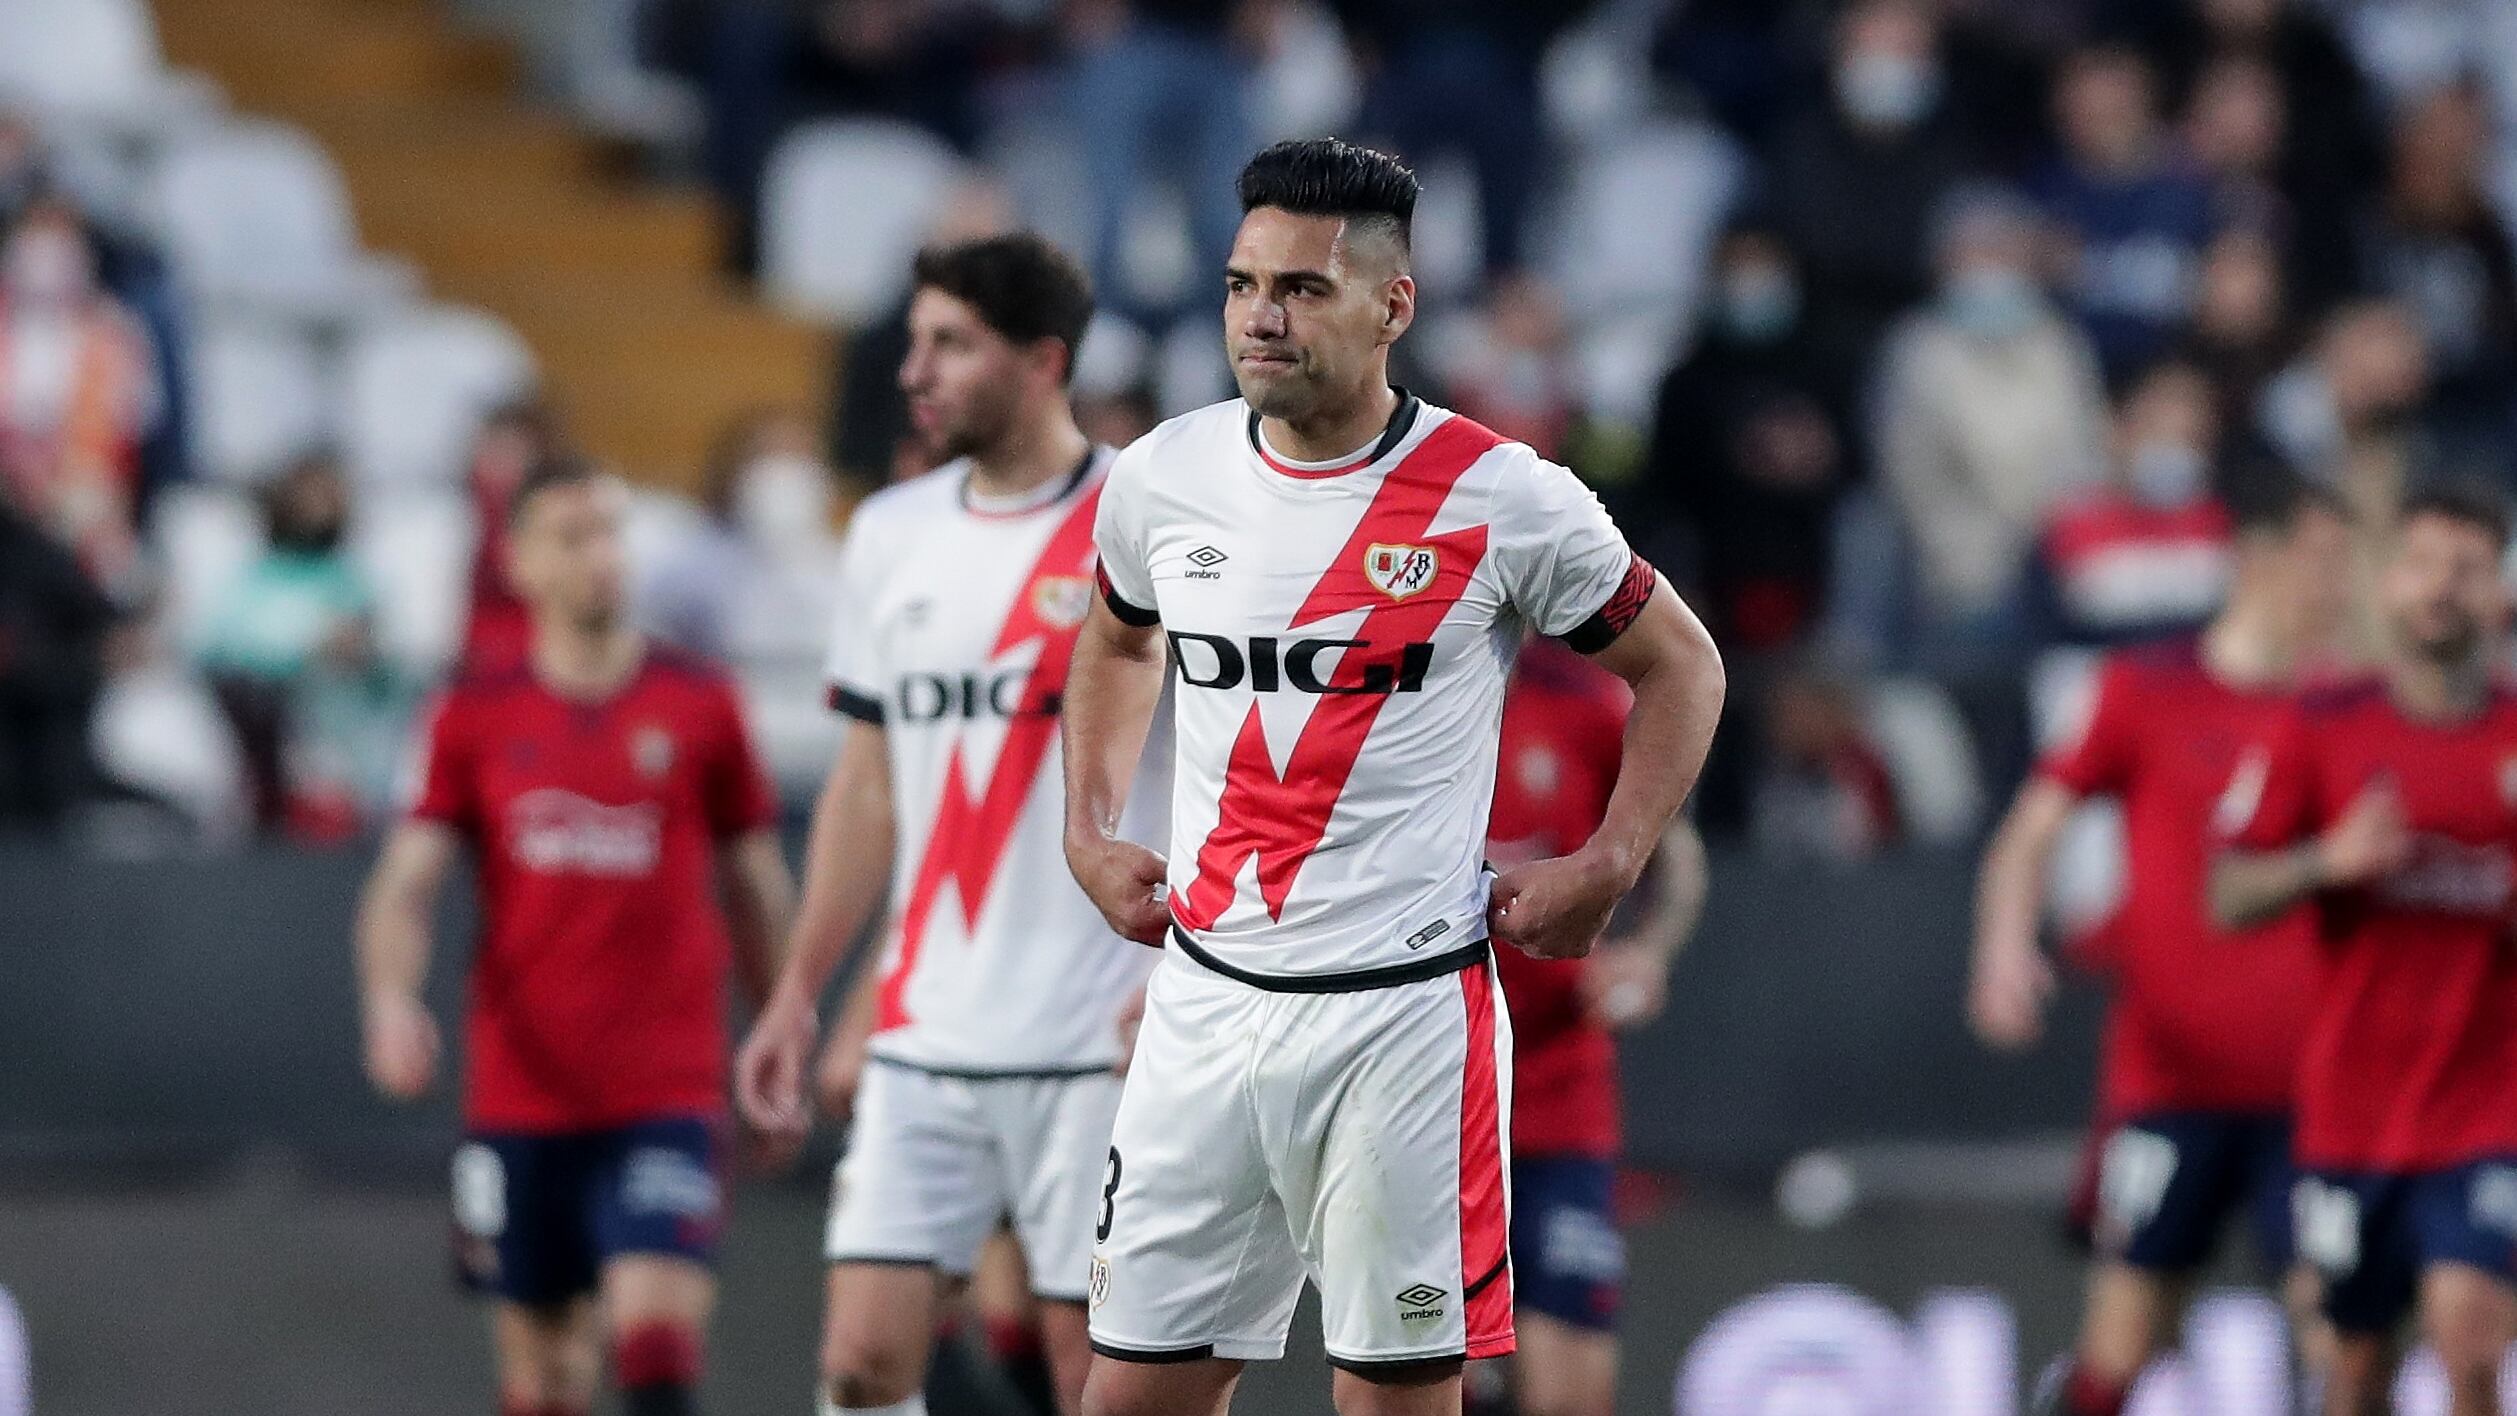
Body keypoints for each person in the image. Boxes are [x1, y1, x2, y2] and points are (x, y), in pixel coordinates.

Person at [1062, 138, 1724, 1416]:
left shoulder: (1504, 497)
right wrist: (1089, 827)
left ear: (1392, 305)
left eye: (1303, 288)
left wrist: (1610, 861)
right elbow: (1113, 635)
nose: (1261, 314)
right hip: (1206, 1007)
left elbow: (1683, 668)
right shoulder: (1162, 478)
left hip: (1402, 1021)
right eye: (1243, 282)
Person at [732, 232, 1159, 1416]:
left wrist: (1197, 970)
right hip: (927, 1024)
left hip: (1097, 1031)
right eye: (914, 341)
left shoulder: (1147, 515)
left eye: (948, 345)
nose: (912, 370)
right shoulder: (892, 533)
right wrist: (798, 992)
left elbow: (1236, 763)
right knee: (864, 1366)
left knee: (1096, 1379)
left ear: (1040, 362)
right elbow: (870, 787)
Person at [354, 457, 795, 1416]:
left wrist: (779, 1029)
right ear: (519, 562)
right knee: (544, 1376)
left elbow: (755, 885)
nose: (600, 557)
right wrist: (390, 1000)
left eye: (610, 531)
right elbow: (406, 884)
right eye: (571, 535)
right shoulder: (475, 712)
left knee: (655, 1347)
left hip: (664, 1090)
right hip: (518, 1096)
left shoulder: (699, 701)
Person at [1971, 475, 2353, 1416]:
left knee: (2337, 1329)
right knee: (2122, 1345)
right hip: (2168, 1081)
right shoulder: (2146, 690)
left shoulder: (2339, 709)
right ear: (2260, 558)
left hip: (2315, 1088)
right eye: (2322, 561)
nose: (2337, 586)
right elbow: (2032, 827)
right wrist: (2002, 951)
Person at [2211, 485, 2517, 1416]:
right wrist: (2325, 860)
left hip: (2485, 1112)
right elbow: (2226, 894)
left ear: (2497, 592)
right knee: (2353, 1372)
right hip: (2351, 1113)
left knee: (2468, 1343)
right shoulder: (2318, 726)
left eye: (2464, 570)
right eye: (2423, 565)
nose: (2440, 590)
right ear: (2386, 584)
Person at [1477, 636, 1706, 1416]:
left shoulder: (1584, 704)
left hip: (1556, 1092)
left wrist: (1647, 953)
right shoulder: (1384, 700)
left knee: (1572, 1390)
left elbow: (1674, 854)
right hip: (1423, 1086)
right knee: (1425, 1375)